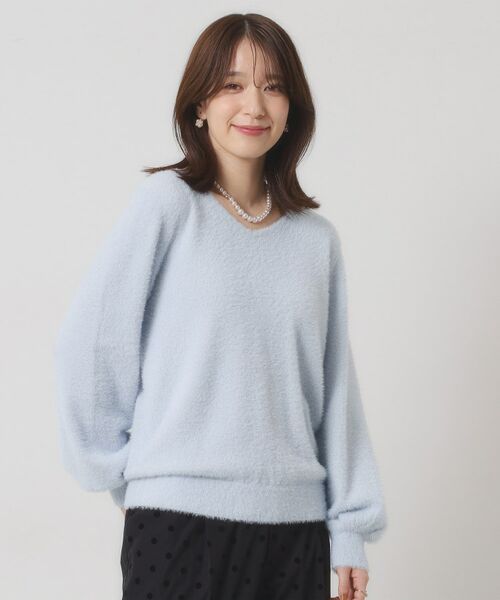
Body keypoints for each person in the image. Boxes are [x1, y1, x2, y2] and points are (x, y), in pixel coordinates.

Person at [53, 13, 388, 600]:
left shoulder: (316, 242)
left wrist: (349, 529)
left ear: (292, 109)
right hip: (176, 525)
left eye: (273, 86)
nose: (254, 104)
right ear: (199, 104)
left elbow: (336, 393)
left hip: (296, 530)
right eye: (232, 84)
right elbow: (93, 343)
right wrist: (128, 474)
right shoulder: (166, 206)